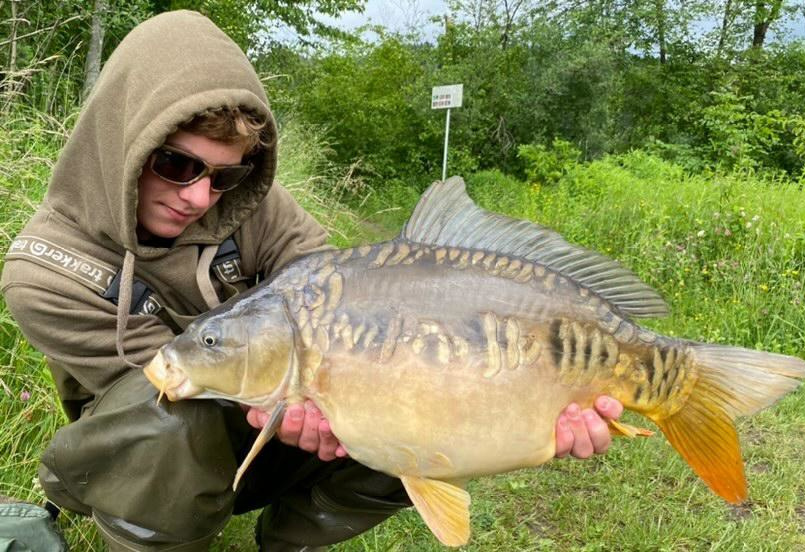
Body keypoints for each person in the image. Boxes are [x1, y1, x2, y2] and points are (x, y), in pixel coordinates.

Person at [0, 10, 624, 552]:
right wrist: (316, 395)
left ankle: (290, 541)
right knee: (173, 422)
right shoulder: (43, 273)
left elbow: (337, 290)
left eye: (221, 175)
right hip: (145, 451)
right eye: (175, 164)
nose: (196, 196)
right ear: (122, 143)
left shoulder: (249, 204)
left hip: (275, 398)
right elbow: (160, 393)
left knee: (406, 397)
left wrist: (378, 390)